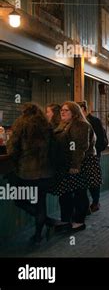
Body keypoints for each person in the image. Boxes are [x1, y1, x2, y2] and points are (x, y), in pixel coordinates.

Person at [7, 103, 57, 245]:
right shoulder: (47, 126)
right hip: (46, 173)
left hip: (27, 174)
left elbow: (12, 150)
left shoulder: (21, 124)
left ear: (25, 112)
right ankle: (38, 235)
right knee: (41, 203)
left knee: (19, 200)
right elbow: (53, 149)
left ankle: (46, 222)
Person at [52, 101, 99, 232]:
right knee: (66, 194)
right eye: (62, 109)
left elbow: (79, 147)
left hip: (80, 163)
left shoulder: (80, 125)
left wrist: (75, 165)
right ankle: (66, 220)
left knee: (79, 193)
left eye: (66, 110)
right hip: (67, 164)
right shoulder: (64, 125)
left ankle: (79, 222)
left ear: (74, 112)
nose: (63, 112)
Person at [78, 101, 106, 213]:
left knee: (93, 180)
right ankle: (85, 205)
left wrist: (95, 152)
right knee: (83, 181)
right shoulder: (77, 123)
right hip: (81, 157)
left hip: (93, 156)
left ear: (84, 109)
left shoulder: (94, 121)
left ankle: (95, 202)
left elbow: (100, 139)